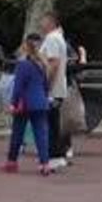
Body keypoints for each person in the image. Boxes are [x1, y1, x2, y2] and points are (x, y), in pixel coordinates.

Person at [1, 34, 53, 176]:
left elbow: (18, 87)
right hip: (41, 102)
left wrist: (13, 103)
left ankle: (12, 162)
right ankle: (45, 163)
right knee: (41, 134)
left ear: (25, 46)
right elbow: (46, 84)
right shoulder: (42, 63)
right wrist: (46, 96)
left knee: (17, 133)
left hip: (25, 103)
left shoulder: (23, 64)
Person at [38, 11, 71, 170]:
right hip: (57, 88)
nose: (40, 24)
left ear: (51, 22)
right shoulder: (58, 38)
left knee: (50, 125)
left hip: (52, 89)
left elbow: (53, 63)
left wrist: (46, 86)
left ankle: (53, 157)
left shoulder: (51, 38)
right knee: (53, 123)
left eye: (43, 21)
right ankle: (58, 155)